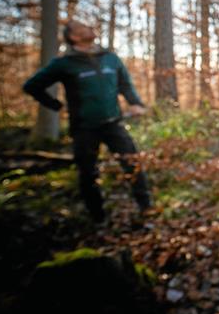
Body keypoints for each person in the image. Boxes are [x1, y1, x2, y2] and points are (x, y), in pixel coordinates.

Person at [23, 20, 152, 224]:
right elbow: (31, 86)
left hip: (113, 124)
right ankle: (97, 217)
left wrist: (135, 103)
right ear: (73, 36)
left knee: (133, 163)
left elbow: (125, 84)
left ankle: (147, 208)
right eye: (82, 27)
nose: (90, 28)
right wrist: (56, 105)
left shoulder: (110, 58)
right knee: (88, 173)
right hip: (84, 128)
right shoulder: (64, 63)